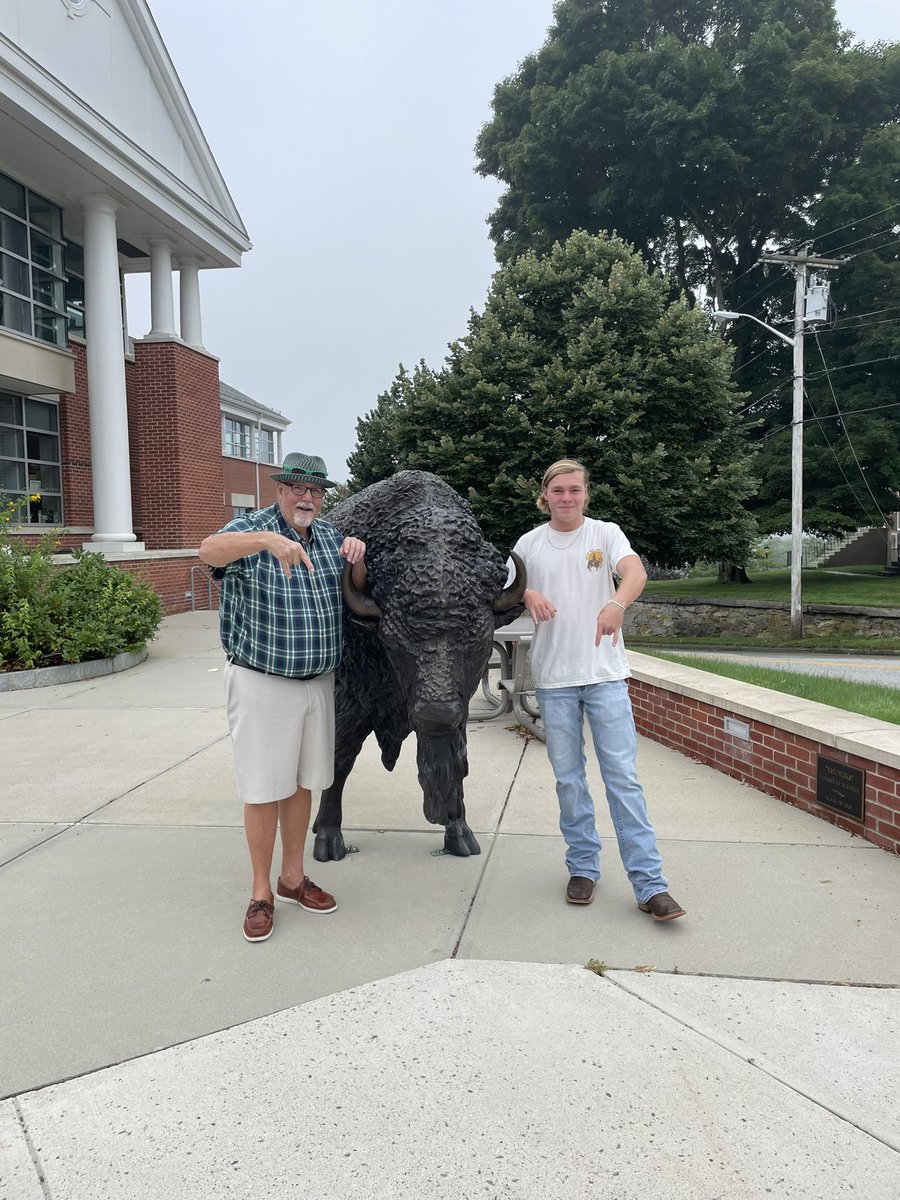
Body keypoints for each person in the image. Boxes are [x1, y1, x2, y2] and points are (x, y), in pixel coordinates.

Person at [199, 452, 366, 943]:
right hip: (262, 681)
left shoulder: (331, 536)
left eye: (315, 490)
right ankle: (259, 893)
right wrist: (267, 540)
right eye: (297, 488)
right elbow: (207, 550)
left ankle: (292, 878)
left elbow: (353, 592)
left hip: (317, 682)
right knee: (262, 788)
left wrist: (357, 559)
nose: (307, 497)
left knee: (301, 783)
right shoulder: (250, 529)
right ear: (280, 490)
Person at [512, 459, 685, 919]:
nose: (566, 498)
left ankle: (650, 885)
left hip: (605, 676)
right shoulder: (529, 543)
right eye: (558, 491)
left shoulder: (605, 534)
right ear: (544, 495)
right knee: (569, 782)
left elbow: (635, 573)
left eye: (575, 490)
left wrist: (615, 602)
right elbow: (508, 588)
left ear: (586, 494)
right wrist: (526, 593)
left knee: (622, 780)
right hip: (554, 680)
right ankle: (583, 867)